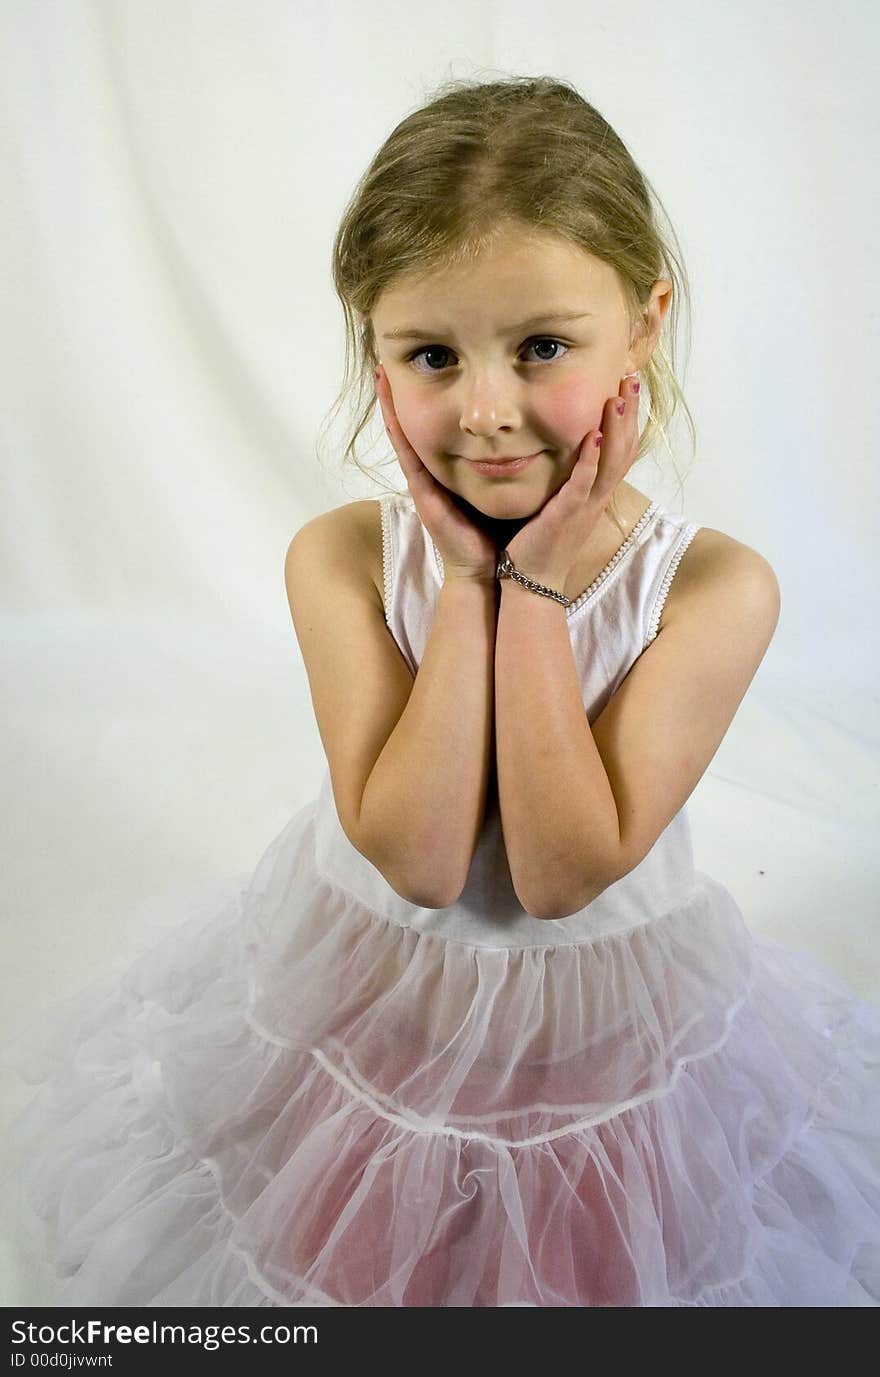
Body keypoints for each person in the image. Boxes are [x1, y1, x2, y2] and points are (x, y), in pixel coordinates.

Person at [4, 74, 880, 1309]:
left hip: (596, 1035)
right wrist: (468, 587)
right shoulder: (342, 559)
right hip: (377, 1004)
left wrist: (540, 597)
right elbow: (417, 862)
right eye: (430, 354)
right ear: (374, 354)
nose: (485, 413)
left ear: (644, 323)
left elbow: (558, 874)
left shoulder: (715, 590)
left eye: (542, 347)